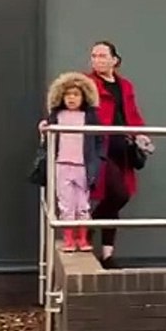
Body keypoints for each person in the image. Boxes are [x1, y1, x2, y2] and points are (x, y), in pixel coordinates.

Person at [88, 41, 149, 269]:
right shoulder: (88, 83)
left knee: (114, 200)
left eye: (102, 56)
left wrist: (142, 136)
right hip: (99, 148)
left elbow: (132, 114)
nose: (97, 60)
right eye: (94, 56)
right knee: (118, 194)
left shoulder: (125, 86)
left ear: (115, 60)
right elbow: (70, 104)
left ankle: (107, 254)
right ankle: (87, 228)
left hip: (121, 148)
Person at [39, 72, 104, 252]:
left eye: (76, 94)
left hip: (83, 166)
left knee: (83, 204)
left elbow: (99, 140)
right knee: (65, 204)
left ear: (84, 97)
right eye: (68, 95)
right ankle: (68, 239)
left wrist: (98, 160)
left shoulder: (89, 117)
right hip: (62, 165)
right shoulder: (56, 116)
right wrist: (44, 129)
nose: (71, 98)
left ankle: (82, 239)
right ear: (61, 96)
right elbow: (47, 133)